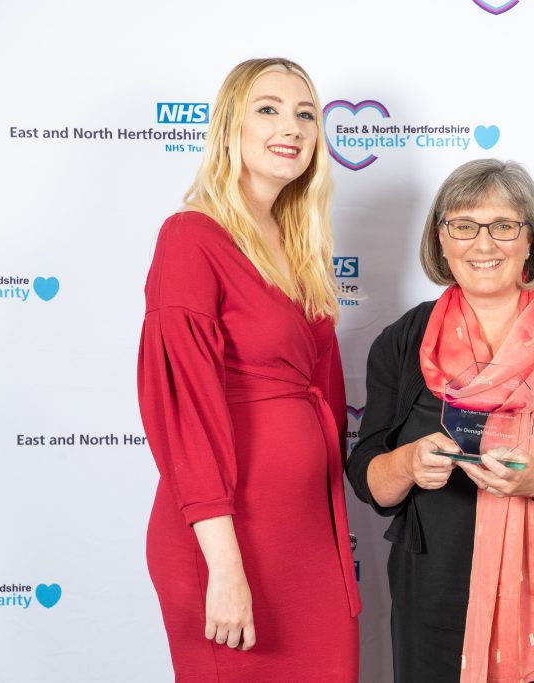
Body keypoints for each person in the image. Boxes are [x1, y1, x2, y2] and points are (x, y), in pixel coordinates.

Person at [346, 159, 534, 683]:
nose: (484, 244)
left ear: (530, 241)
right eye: (463, 225)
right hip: (435, 592)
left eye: (503, 226)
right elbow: (371, 482)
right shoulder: (403, 341)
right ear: (441, 240)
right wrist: (408, 463)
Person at [137, 58, 360, 681]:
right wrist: (225, 569)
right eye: (268, 109)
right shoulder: (190, 236)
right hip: (228, 541)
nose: (291, 126)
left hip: (308, 535)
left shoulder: (300, 247)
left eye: (306, 114)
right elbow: (182, 411)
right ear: (229, 128)